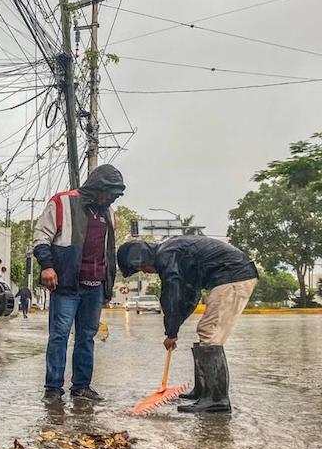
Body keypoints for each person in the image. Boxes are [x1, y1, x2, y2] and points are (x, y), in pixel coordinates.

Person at [117, 237, 259, 414]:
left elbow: (172, 293)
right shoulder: (173, 255)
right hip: (231, 276)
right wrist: (173, 331)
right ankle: (203, 392)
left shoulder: (165, 255)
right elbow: (191, 296)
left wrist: (171, 332)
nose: (145, 272)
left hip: (233, 276)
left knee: (209, 331)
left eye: (140, 268)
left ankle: (216, 400)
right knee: (206, 332)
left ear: (142, 258)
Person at [32, 164, 126, 402]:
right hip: (67, 286)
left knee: (86, 337)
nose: (111, 198)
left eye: (115, 195)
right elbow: (41, 236)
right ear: (97, 188)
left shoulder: (108, 214)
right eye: (109, 193)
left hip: (94, 287)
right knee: (59, 336)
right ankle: (53, 388)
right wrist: (47, 266)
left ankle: (81, 386)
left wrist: (108, 284)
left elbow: (108, 251)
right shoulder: (63, 202)